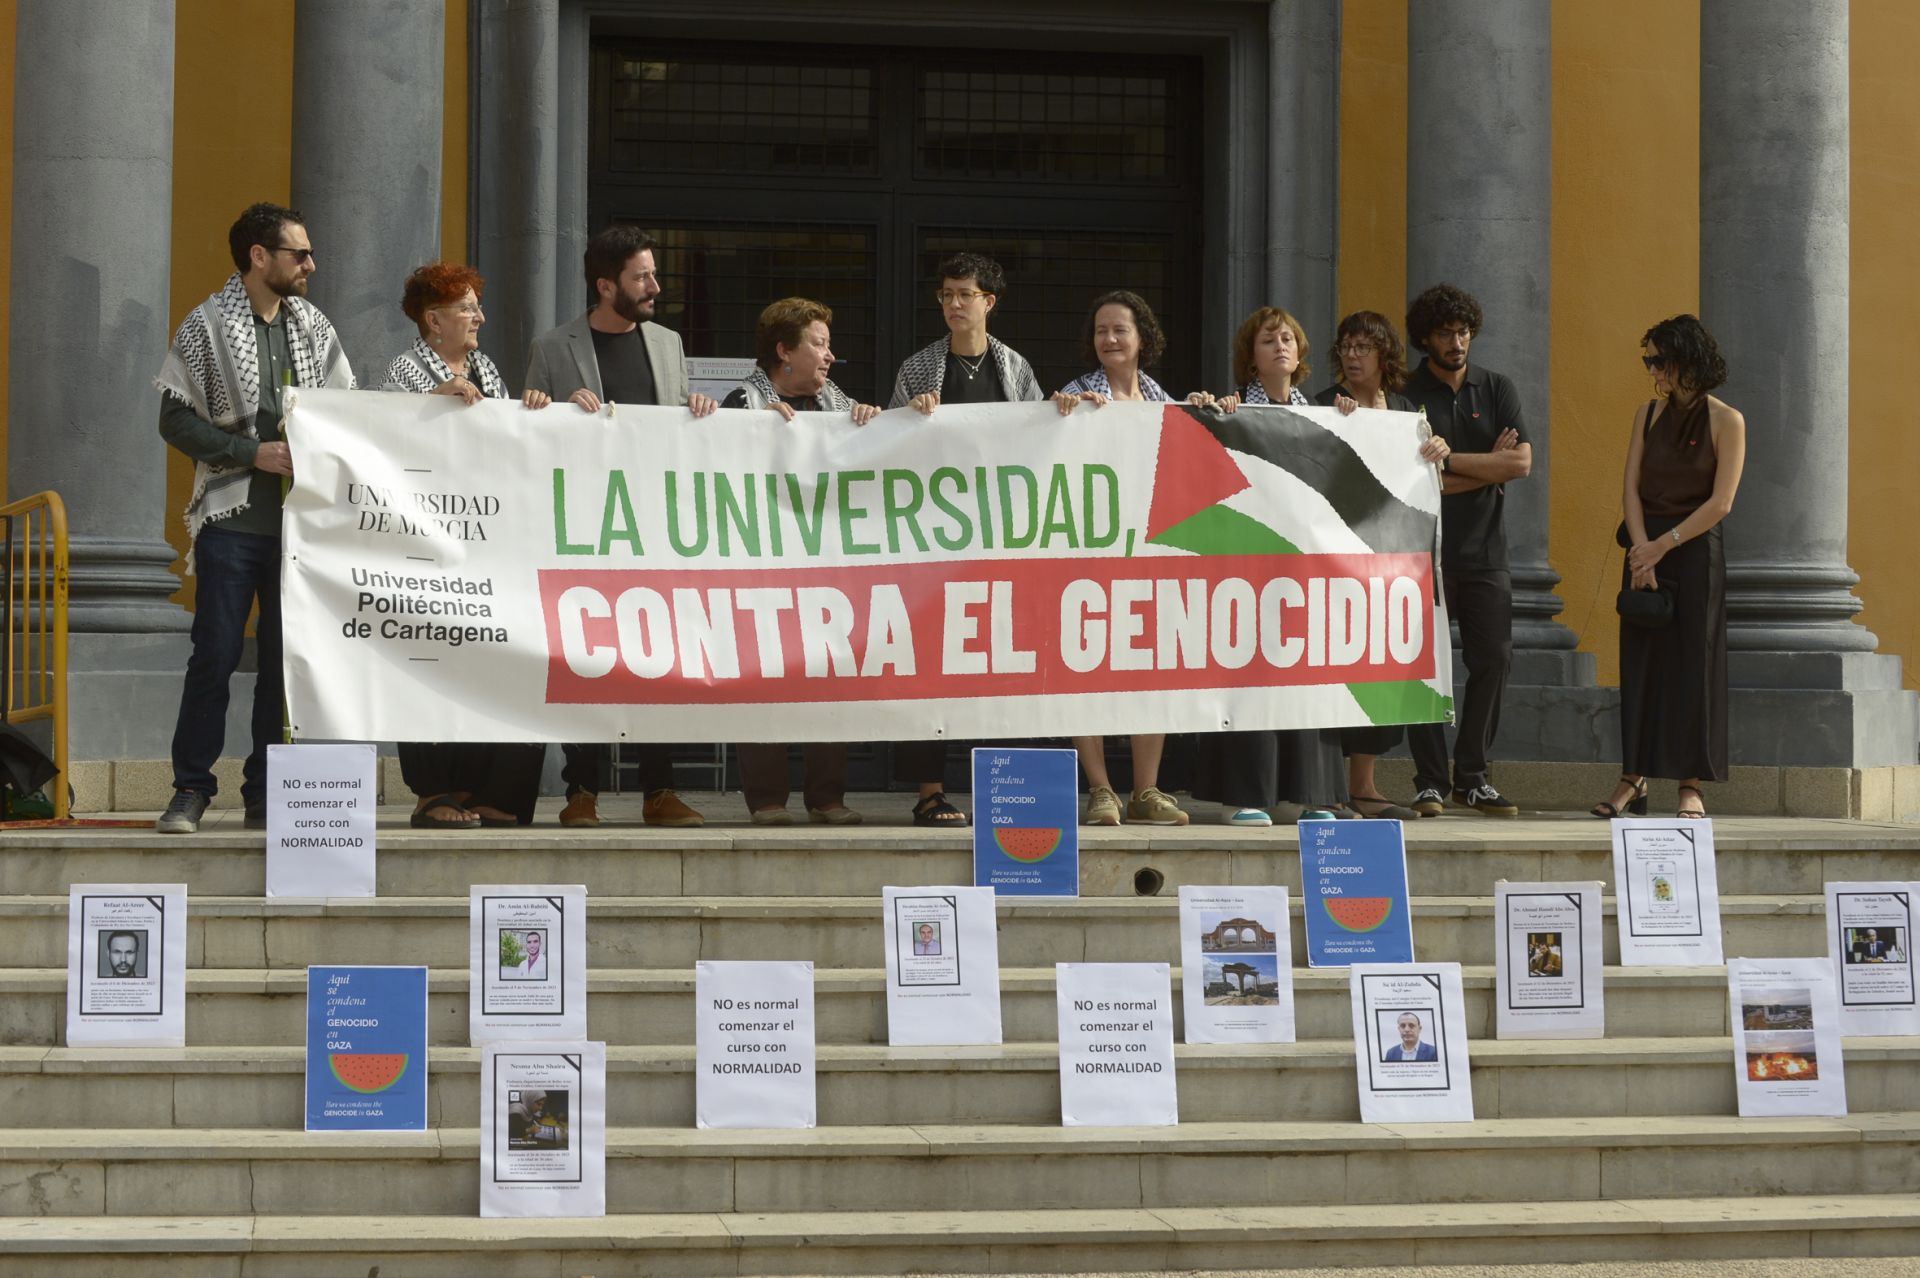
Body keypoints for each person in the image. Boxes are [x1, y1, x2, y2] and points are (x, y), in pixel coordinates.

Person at [154, 202, 355, 835]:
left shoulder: (315, 327)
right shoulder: (206, 324)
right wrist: (251, 453)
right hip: (231, 521)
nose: (311, 265)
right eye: (300, 253)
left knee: (281, 664)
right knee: (213, 655)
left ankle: (266, 793)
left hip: (300, 527)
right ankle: (191, 789)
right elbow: (174, 419)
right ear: (259, 256)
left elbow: (348, 408)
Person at [525, 225, 718, 829]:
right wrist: (551, 411)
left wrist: (699, 411)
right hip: (583, 530)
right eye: (642, 277)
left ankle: (658, 789)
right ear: (606, 285)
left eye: (654, 274)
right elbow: (524, 433)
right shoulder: (554, 347)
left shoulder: (667, 343)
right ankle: (580, 790)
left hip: (654, 528)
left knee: (657, 655)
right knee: (584, 655)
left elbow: (678, 431)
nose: (655, 286)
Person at [381, 262, 549, 829]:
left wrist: (533, 410)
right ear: (434, 320)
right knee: (431, 661)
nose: (479, 316)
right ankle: (435, 793)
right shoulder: (405, 370)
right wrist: (432, 400)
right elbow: (382, 436)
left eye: (477, 307)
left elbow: (506, 444)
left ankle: (492, 792)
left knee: (495, 661)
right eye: (467, 308)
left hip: (487, 541)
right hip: (426, 543)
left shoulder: (489, 370)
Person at [886, 253, 1045, 826]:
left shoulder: (1016, 369)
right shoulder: (917, 369)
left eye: (965, 294)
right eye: (946, 294)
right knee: (928, 662)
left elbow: (1040, 444)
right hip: (931, 541)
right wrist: (909, 416)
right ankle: (930, 791)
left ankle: (1001, 789)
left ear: (989, 302)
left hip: (998, 541)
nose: (954, 304)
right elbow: (886, 447)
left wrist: (1063, 413)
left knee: (998, 661)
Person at [1190, 307, 1348, 826]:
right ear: (1251, 357)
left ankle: (1312, 795)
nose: (1280, 346)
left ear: (1300, 353)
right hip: (1249, 564)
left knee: (1309, 673)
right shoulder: (1233, 410)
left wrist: (1356, 423)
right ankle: (1246, 795)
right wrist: (1210, 414)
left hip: (1309, 569)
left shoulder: (1324, 415)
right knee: (1252, 672)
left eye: (1287, 339)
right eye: (1268, 340)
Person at [723, 298, 874, 826]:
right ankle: (767, 799)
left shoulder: (839, 404)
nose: (830, 355)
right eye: (819, 343)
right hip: (760, 567)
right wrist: (746, 430)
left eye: (829, 345)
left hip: (826, 569)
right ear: (784, 351)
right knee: (763, 676)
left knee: (829, 674)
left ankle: (827, 798)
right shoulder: (740, 403)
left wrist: (873, 426)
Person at [1598, 314, 1745, 821]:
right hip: (1645, 552)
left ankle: (1690, 784)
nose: (1653, 371)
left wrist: (1663, 545)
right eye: (1649, 361)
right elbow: (1630, 488)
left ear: (1687, 360)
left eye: (1659, 361)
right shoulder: (1646, 415)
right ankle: (1631, 778)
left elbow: (1722, 502)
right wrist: (1641, 550)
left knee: (1692, 669)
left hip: (1694, 550)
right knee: (1640, 665)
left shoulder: (1727, 420)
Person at [1052, 291, 1186, 827]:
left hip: (1149, 552)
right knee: (1086, 665)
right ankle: (1101, 789)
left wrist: (1205, 410)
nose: (1108, 339)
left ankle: (1145, 791)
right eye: (1101, 330)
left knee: (1150, 667)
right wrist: (1060, 415)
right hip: (1088, 551)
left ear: (1142, 338)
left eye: (1120, 330)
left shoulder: (1161, 400)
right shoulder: (1075, 394)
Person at [1400, 284, 1530, 818]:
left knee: (1494, 659)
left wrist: (1448, 462)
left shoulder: (1496, 387)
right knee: (1422, 666)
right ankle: (1431, 781)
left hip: (1485, 552)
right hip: (1421, 552)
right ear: (1425, 338)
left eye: (1463, 332)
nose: (1456, 342)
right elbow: (1411, 481)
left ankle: (1472, 777)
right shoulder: (1405, 394)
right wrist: (1487, 469)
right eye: (1444, 333)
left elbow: (1520, 463)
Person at [1317, 311, 1450, 822]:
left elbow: (1425, 483)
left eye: (1363, 348)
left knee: (1379, 672)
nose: (1353, 357)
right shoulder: (1326, 404)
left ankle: (1364, 786)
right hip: (1333, 562)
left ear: (1384, 354)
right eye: (1346, 347)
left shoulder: (1405, 413)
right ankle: (1327, 789)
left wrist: (1436, 451)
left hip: (1388, 568)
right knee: (1334, 673)